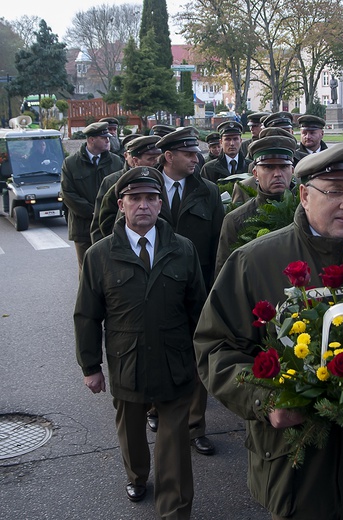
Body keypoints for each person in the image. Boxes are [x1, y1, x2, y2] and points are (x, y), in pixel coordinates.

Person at [193, 143, 343, 520]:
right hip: (293, 464)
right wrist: (266, 400)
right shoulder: (256, 261)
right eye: (334, 192)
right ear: (304, 194)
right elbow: (214, 346)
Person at [74, 166, 206, 518]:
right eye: (135, 198)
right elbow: (87, 315)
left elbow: (199, 308)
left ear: (160, 204)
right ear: (121, 204)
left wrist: (205, 358)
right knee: (131, 430)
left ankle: (174, 511)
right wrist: (91, 367)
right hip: (126, 360)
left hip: (175, 360)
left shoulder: (183, 249)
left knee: (175, 445)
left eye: (150, 198)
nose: (143, 205)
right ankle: (136, 474)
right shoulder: (100, 255)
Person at [144, 127, 224, 455]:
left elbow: (219, 243)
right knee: (153, 348)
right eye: (189, 154)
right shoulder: (145, 190)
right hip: (153, 287)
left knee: (196, 355)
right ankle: (154, 408)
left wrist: (214, 289)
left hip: (196, 287)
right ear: (169, 157)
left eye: (196, 152)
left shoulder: (207, 190)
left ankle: (195, 425)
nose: (196, 158)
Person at [215, 132, 297, 276]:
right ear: (255, 173)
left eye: (283, 167)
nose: (277, 174)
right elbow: (225, 275)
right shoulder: (236, 220)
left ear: (292, 170)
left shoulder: (306, 212)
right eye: (269, 168)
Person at [61, 121, 124, 271]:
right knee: (87, 269)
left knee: (111, 268)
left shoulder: (115, 161)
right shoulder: (71, 163)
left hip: (109, 226)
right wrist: (93, 212)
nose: (108, 140)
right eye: (104, 138)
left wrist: (105, 213)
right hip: (83, 227)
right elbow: (68, 194)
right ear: (91, 140)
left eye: (108, 137)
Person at [91, 135, 161, 243]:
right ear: (135, 160)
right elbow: (101, 224)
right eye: (151, 158)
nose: (156, 162)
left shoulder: (162, 180)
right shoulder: (112, 182)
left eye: (158, 157)